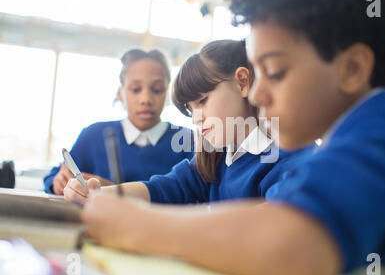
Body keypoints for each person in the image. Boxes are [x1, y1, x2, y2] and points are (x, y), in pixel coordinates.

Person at [67, 0, 385, 275]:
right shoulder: (346, 143)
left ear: (352, 68)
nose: (258, 94)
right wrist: (107, 198)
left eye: (276, 71)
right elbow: (170, 188)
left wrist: (138, 227)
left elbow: (294, 242)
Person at [64, 39, 311, 204]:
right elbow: (164, 188)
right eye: (190, 109)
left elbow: (277, 225)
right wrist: (95, 195)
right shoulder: (215, 159)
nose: (196, 118)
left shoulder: (285, 159)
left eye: (202, 101)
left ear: (242, 82)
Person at [43, 49, 193, 195]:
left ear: (168, 93)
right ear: (120, 93)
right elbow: (53, 177)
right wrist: (58, 182)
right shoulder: (93, 135)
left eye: (157, 89)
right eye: (135, 89)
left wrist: (114, 191)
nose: (146, 99)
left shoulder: (188, 141)